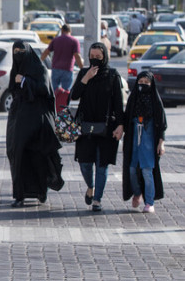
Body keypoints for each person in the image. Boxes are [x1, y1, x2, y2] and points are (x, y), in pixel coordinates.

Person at [6, 41, 64, 207]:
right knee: (17, 155)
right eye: (15, 51)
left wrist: (25, 81)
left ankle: (40, 191)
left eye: (21, 51)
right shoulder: (15, 70)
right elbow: (13, 90)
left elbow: (44, 90)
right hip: (18, 120)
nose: (18, 54)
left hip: (37, 121)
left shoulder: (40, 69)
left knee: (38, 157)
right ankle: (19, 194)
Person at [71, 42, 124, 212]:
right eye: (91, 57)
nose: (94, 61)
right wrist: (85, 79)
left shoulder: (113, 75)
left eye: (98, 58)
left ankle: (97, 199)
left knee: (102, 166)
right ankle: (90, 187)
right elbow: (74, 95)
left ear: (105, 57)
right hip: (85, 127)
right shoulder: (83, 73)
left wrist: (121, 125)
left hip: (107, 127)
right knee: (85, 164)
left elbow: (118, 103)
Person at [122, 71, 167, 213]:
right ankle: (137, 192)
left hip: (149, 140)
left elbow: (161, 123)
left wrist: (161, 142)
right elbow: (126, 117)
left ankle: (149, 202)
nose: (143, 86)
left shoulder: (155, 101)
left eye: (146, 83)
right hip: (134, 139)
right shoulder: (133, 99)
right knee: (132, 170)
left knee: (147, 171)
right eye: (140, 83)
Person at [40, 24, 84, 91]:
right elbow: (77, 56)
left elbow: (46, 52)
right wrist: (82, 69)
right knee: (66, 92)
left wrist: (39, 62)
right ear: (70, 31)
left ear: (62, 30)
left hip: (55, 68)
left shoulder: (56, 40)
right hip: (68, 69)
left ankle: (55, 101)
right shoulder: (74, 41)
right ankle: (64, 101)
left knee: (54, 91)